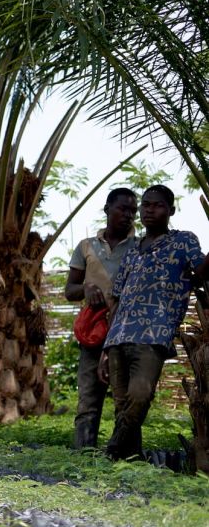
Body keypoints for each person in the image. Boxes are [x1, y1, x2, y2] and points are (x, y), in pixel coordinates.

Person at [100, 185, 209, 460]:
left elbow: (199, 272)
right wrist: (105, 346)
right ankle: (130, 460)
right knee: (122, 403)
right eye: (146, 205)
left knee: (140, 395)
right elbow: (116, 299)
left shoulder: (184, 241)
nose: (149, 210)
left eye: (157, 205)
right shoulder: (132, 252)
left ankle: (113, 447)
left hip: (153, 335)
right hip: (118, 337)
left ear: (170, 210)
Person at [64, 187, 137, 449]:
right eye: (122, 209)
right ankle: (83, 458)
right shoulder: (86, 247)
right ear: (107, 209)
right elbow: (69, 290)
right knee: (88, 401)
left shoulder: (140, 248)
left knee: (127, 401)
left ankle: (125, 457)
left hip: (128, 334)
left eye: (132, 211)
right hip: (94, 335)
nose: (128, 215)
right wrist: (85, 288)